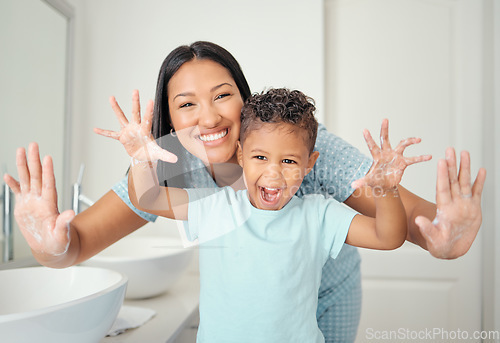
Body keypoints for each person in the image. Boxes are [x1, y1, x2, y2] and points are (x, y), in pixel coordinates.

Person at [3, 41, 486, 342]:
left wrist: (442, 239)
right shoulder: (166, 164)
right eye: (186, 104)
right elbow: (76, 245)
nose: (208, 117)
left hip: (325, 295)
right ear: (169, 120)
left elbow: (414, 225)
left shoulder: (299, 148)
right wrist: (51, 245)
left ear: (245, 99)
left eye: (222, 95)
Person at [116, 87, 428, 342]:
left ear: (310, 163)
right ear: (241, 155)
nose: (273, 173)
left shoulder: (319, 215)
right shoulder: (216, 208)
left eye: (289, 161)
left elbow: (388, 237)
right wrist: (141, 158)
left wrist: (386, 190)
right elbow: (148, 197)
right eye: (260, 157)